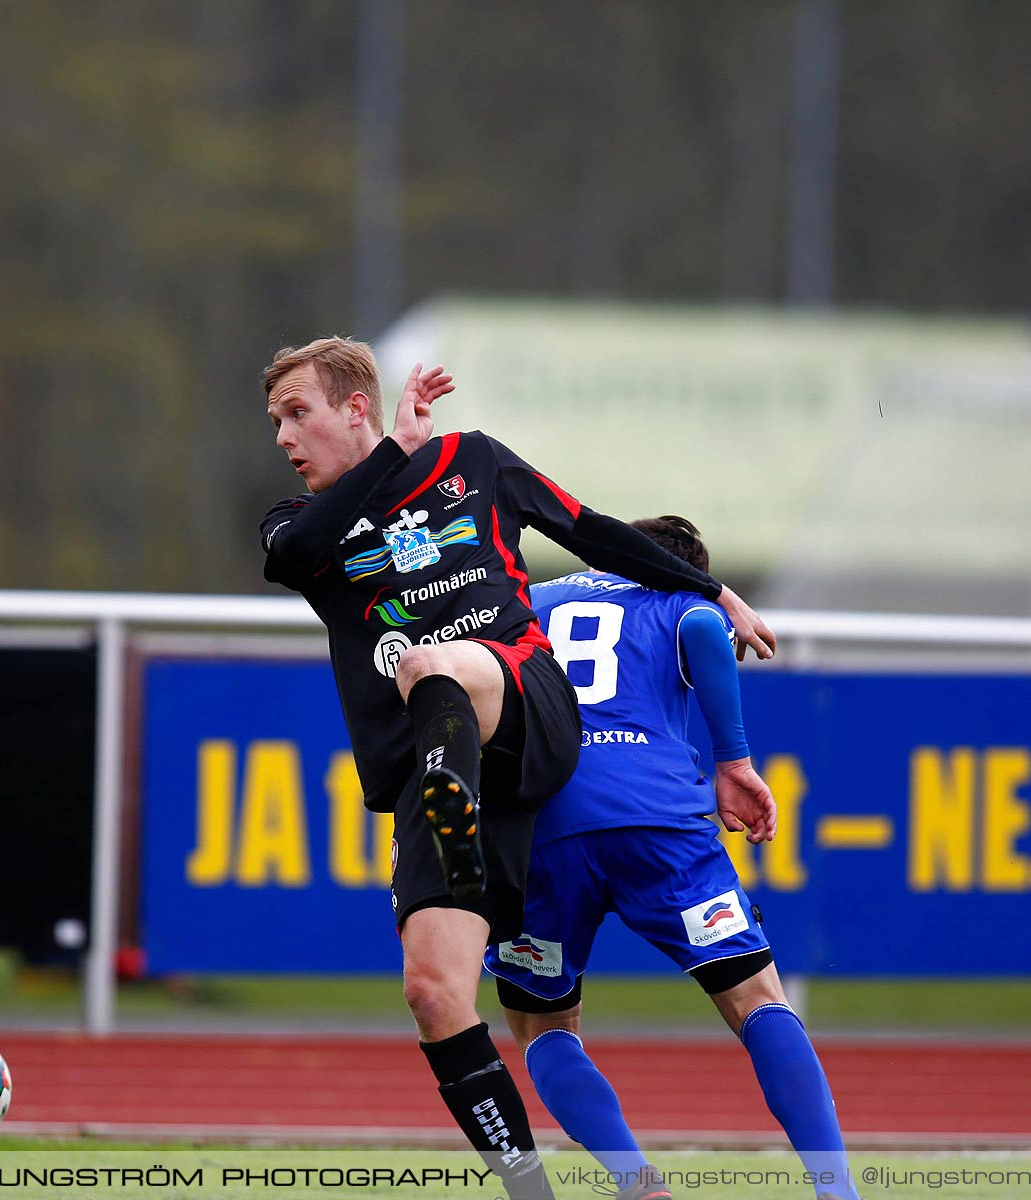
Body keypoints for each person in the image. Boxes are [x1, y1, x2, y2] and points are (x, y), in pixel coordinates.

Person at [258, 339, 775, 1200]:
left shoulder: (475, 463)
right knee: (434, 995)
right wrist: (392, 453)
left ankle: (456, 814)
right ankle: (531, 1188)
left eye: (297, 414)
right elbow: (294, 551)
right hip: (434, 771)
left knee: (431, 664)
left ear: (355, 407)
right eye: (275, 421)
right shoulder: (297, 526)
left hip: (523, 703)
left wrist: (712, 593)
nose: (283, 436)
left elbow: (592, 532)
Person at [484, 516, 860, 1200]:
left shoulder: (529, 603)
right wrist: (734, 762)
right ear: (684, 568)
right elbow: (698, 630)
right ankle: (837, 1191)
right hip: (658, 823)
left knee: (541, 1025)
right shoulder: (676, 599)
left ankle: (636, 1184)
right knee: (755, 999)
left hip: (543, 829)